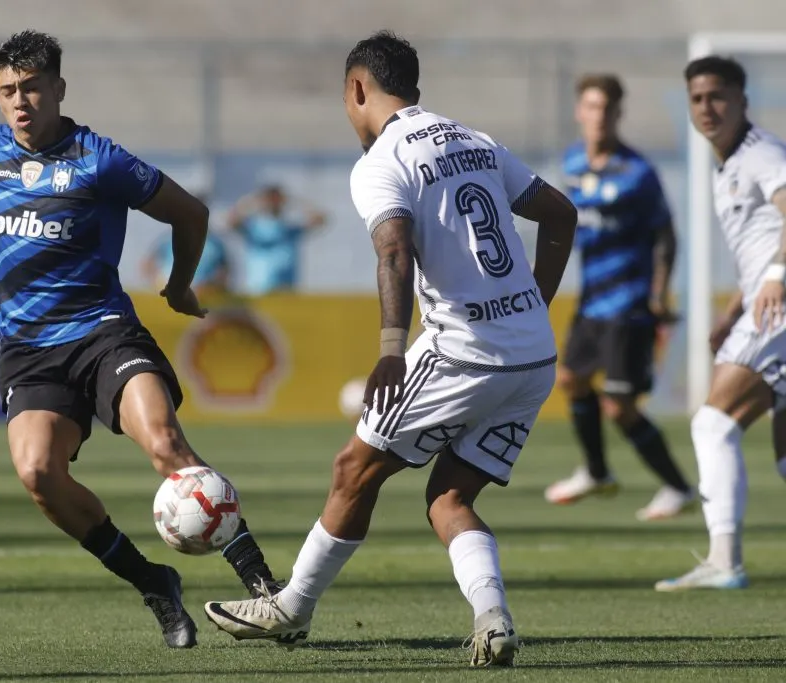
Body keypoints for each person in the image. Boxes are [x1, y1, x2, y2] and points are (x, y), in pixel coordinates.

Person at [0, 30, 281, 648]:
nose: (20, 101)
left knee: (165, 443)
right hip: (28, 350)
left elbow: (191, 213)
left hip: (103, 334)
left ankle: (265, 591)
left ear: (58, 89)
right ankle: (154, 582)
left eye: (32, 88)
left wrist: (178, 287)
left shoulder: (99, 159)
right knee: (38, 472)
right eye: (7, 91)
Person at [202, 31, 577, 667]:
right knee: (449, 499)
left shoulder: (382, 161)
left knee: (355, 470)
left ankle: (292, 608)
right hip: (533, 356)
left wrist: (391, 348)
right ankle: (494, 618)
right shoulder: (475, 140)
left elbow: (394, 249)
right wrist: (535, 303)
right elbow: (561, 214)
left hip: (464, 350)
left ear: (357, 89)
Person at [657, 56, 786, 591]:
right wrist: (732, 309)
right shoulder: (726, 167)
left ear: (741, 100)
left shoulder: (761, 155)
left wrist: (777, 277)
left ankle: (723, 560)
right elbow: (758, 247)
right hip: (761, 303)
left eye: (717, 96)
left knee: (713, 423)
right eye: (697, 99)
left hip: (779, 308)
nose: (707, 108)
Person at [545, 74, 695, 521]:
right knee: (570, 379)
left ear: (618, 115)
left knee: (619, 406)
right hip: (591, 302)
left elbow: (666, 234)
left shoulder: (638, 172)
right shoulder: (571, 163)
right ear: (579, 112)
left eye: (606, 109)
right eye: (591, 107)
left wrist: (658, 292)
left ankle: (678, 486)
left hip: (629, 305)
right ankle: (596, 472)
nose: (598, 116)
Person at [227, 184, 326, 295]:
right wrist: (253, 201)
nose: (274, 202)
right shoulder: (253, 227)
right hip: (258, 290)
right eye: (270, 199)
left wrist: (294, 201)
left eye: (277, 199)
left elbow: (320, 219)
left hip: (286, 291)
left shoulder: (289, 229)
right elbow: (231, 221)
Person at [141, 195, 231, 295]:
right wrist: (157, 282)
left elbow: (225, 273)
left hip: (200, 299)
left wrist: (209, 287)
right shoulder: (170, 238)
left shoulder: (215, 244)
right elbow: (147, 263)